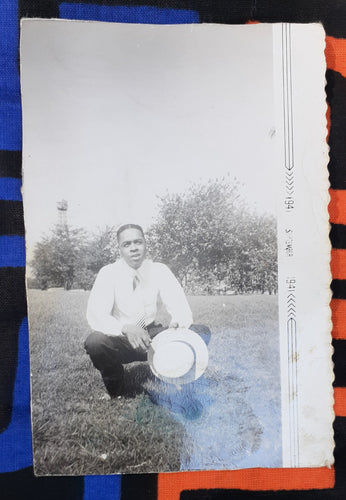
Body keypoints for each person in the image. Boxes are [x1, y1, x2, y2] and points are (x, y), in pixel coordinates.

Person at [84, 223, 211, 398]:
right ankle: (118, 390)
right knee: (95, 342)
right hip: (122, 338)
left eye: (138, 242)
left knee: (199, 331)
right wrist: (126, 328)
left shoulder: (159, 270)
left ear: (145, 244)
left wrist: (178, 325)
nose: (134, 248)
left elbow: (179, 306)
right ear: (119, 249)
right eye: (127, 244)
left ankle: (179, 377)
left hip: (153, 335)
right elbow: (97, 315)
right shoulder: (108, 273)